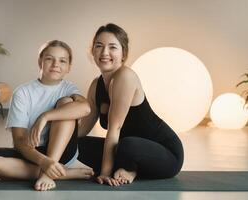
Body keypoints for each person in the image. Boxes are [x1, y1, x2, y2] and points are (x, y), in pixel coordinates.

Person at [77, 23, 184, 186]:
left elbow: (115, 128)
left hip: (165, 153)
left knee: (127, 145)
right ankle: (125, 168)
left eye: (112, 47)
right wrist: (51, 140)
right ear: (93, 51)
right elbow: (83, 129)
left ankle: (129, 169)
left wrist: (105, 174)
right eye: (99, 46)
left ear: (123, 54)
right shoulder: (95, 86)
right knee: (77, 144)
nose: (104, 52)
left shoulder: (125, 76)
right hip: (124, 150)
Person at [0, 40, 94, 191]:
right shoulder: (22, 93)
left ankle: (49, 173)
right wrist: (44, 162)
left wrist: (45, 117)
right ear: (40, 61)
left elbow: (85, 108)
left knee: (67, 103)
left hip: (63, 152)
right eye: (49, 59)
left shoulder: (69, 89)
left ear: (69, 67)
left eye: (62, 61)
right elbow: (20, 141)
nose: (55, 64)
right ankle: (62, 173)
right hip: (33, 153)